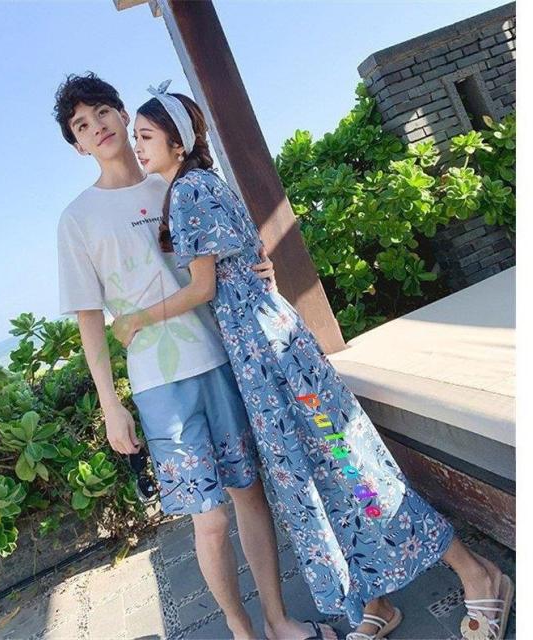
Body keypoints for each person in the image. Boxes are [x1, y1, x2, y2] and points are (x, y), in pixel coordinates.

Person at [111, 79, 514, 640]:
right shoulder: (197, 186)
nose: (138, 145)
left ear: (178, 142)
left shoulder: (189, 192)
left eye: (146, 136)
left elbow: (204, 287)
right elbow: (243, 261)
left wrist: (137, 319)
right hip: (264, 357)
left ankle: (477, 572)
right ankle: (373, 600)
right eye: (136, 136)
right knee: (318, 476)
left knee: (350, 466)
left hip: (273, 358)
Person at [54, 72, 339, 640]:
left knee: (250, 495)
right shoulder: (77, 219)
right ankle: (240, 629)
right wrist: (111, 404)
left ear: (124, 115)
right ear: (78, 145)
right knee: (208, 519)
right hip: (161, 384)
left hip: (224, 358)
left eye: (103, 112)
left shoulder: (174, 181)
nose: (98, 127)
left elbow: (228, 255)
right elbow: (89, 319)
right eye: (81, 126)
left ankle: (278, 620)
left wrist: (262, 269)